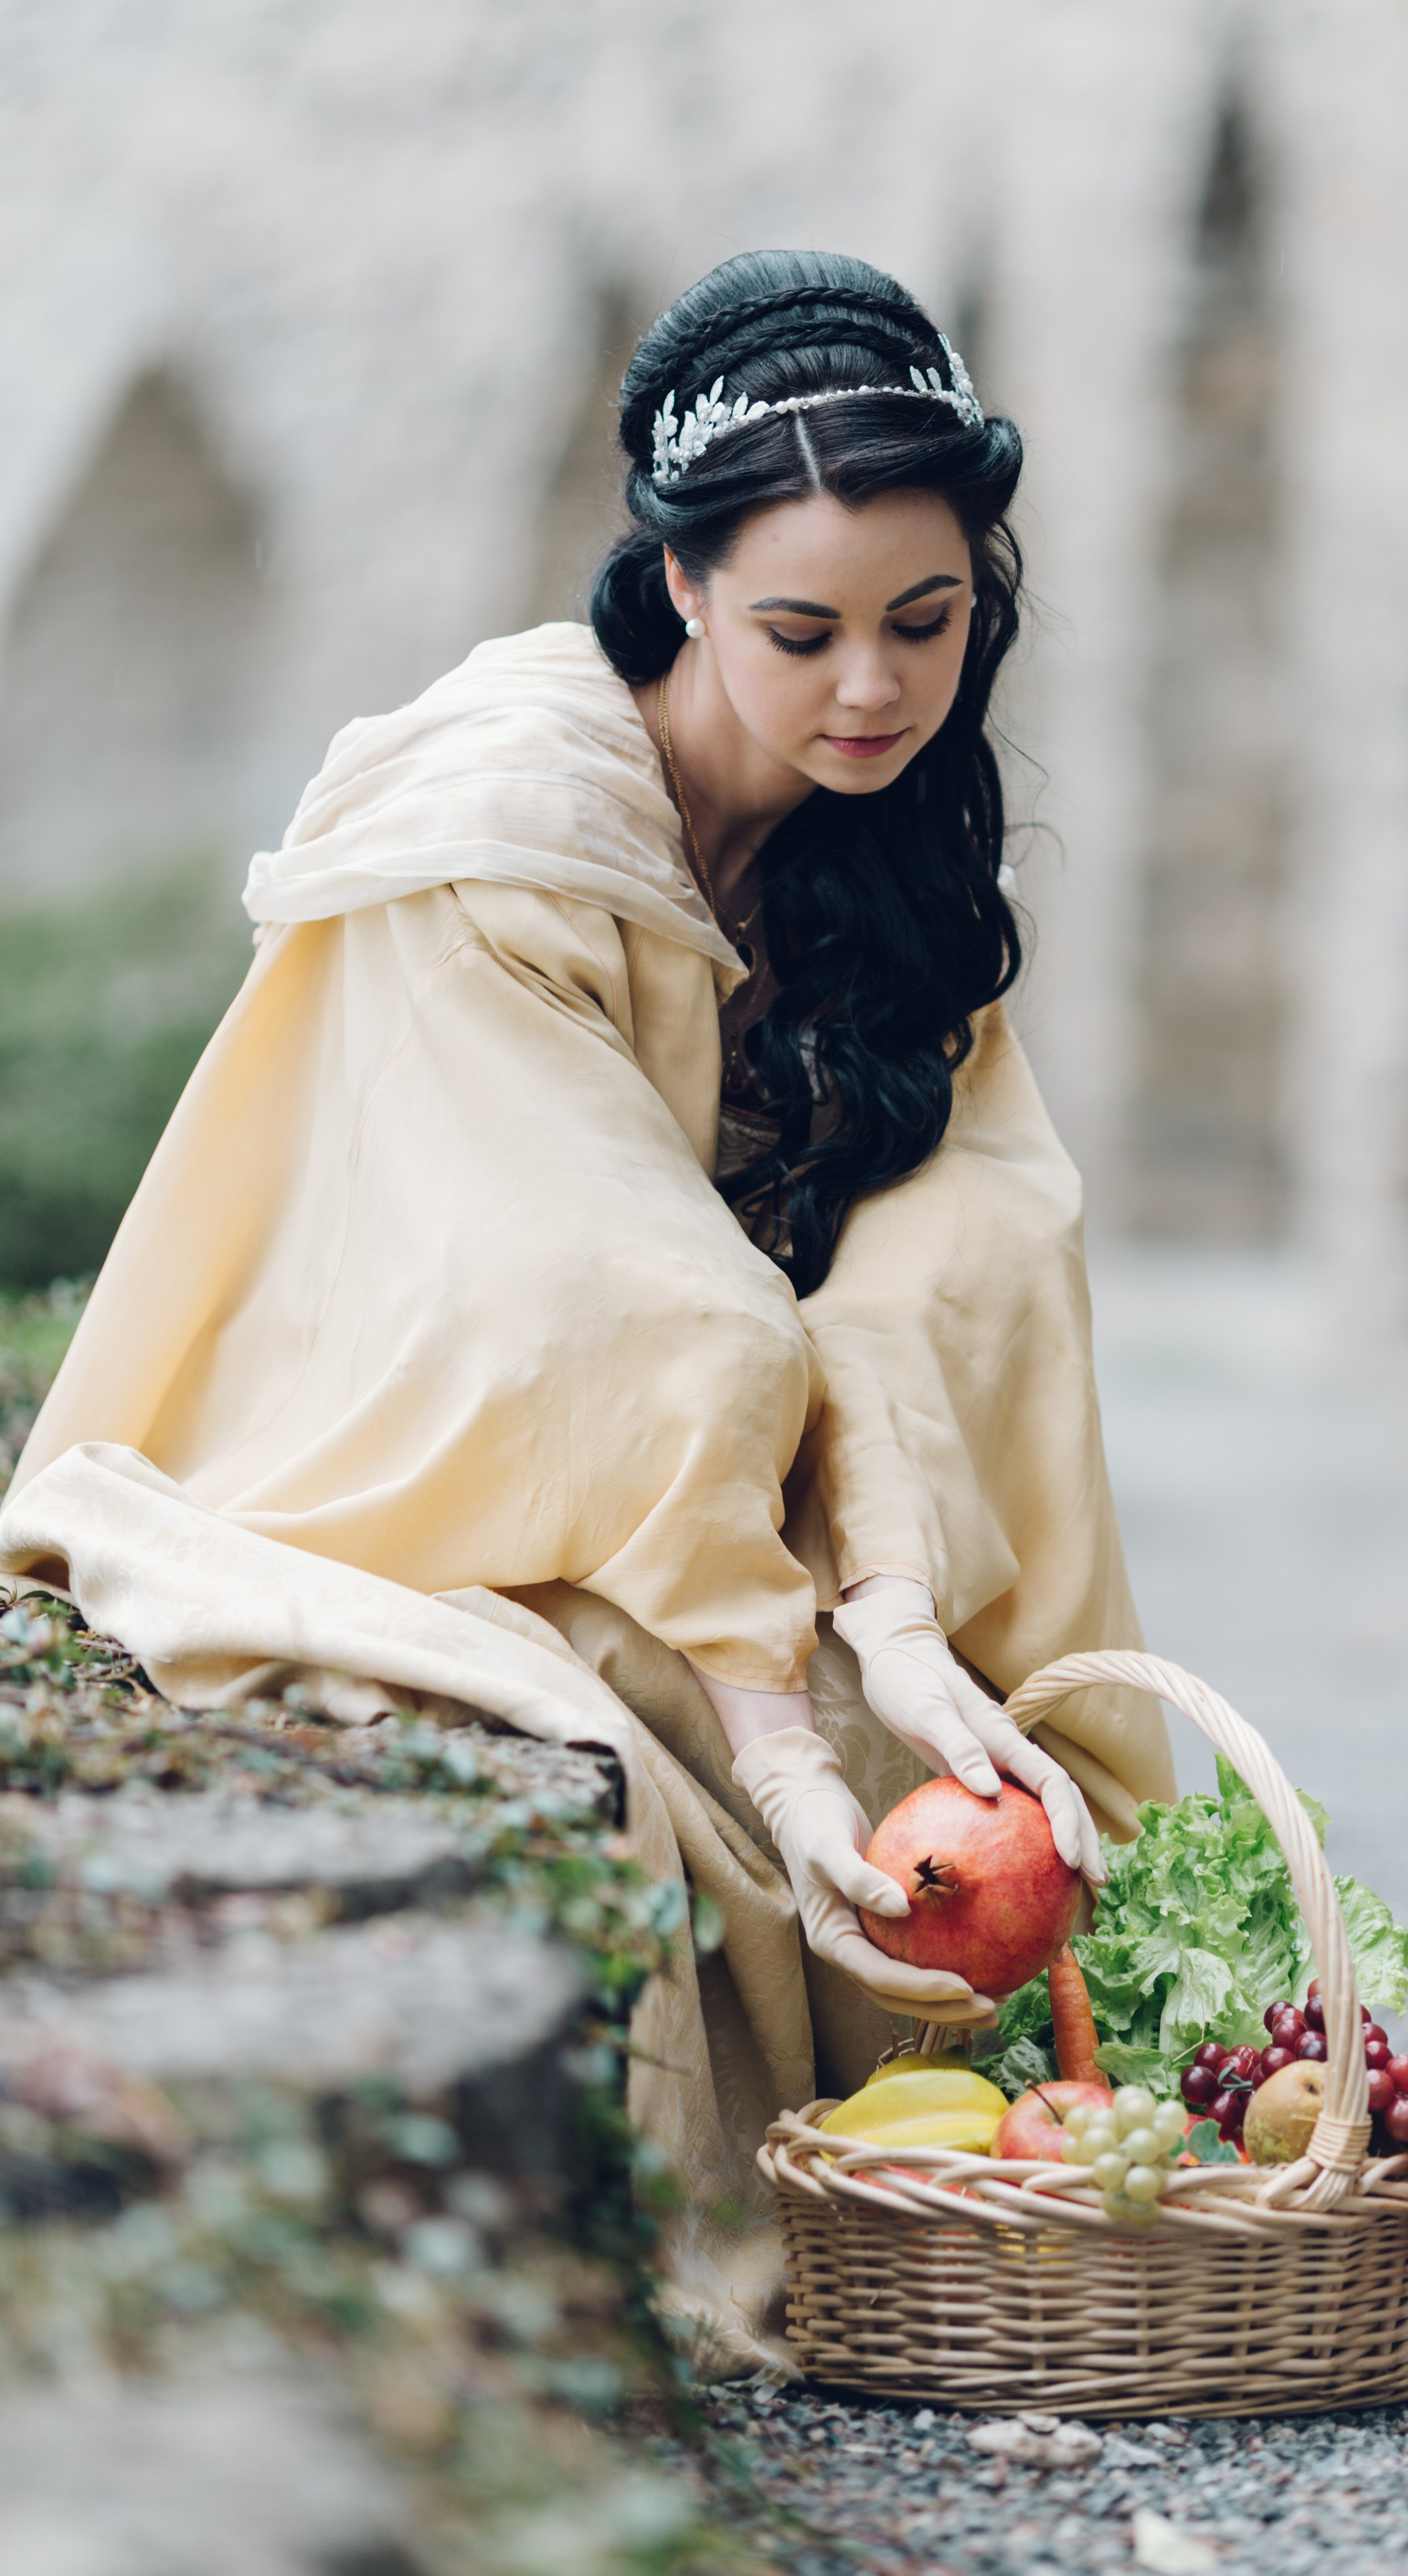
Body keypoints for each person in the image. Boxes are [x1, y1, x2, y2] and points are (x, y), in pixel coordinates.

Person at [0, 250, 1173, 2359]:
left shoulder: (885, 833)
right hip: (425, 1411)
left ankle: (1027, 2113)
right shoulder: (503, 818)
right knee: (705, 1695)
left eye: (932, 622)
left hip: (714, 1446)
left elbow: (976, 1204)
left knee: (958, 1338)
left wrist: (894, 1586)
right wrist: (779, 1716)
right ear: (681, 588)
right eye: (803, 632)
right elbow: (582, 1286)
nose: (876, 694)